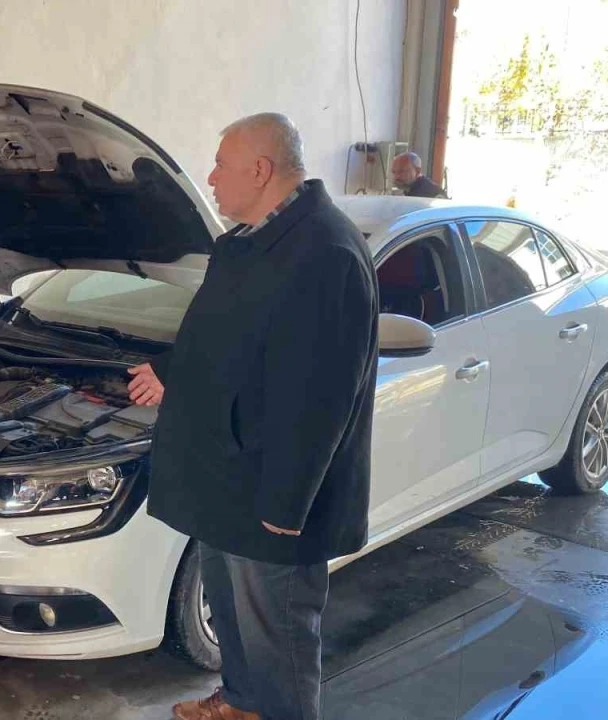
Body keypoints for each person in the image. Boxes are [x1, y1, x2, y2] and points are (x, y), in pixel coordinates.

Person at [127, 113, 378, 720]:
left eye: (221, 165)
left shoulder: (324, 253)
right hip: (228, 477)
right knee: (234, 615)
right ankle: (241, 704)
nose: (211, 178)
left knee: (278, 638)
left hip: (270, 493)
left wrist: (286, 505)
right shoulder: (249, 242)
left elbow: (321, 397)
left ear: (261, 170)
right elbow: (227, 336)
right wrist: (171, 369)